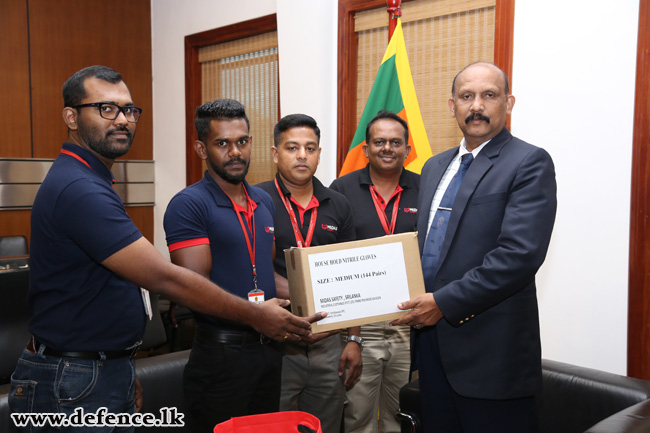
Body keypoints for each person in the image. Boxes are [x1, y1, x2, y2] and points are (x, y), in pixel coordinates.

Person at [8, 67, 321, 433]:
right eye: (106, 109)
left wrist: (120, 367)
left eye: (129, 110)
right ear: (71, 117)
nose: (123, 119)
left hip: (99, 369)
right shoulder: (79, 188)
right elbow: (163, 276)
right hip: (74, 377)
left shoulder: (94, 180)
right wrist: (256, 316)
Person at [391, 62, 557, 433]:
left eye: (489, 95)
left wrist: (443, 304)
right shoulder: (434, 167)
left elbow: (519, 255)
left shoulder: (528, 161)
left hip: (492, 358)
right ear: (452, 106)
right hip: (433, 350)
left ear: (508, 103)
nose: (476, 106)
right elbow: (431, 247)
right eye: (466, 96)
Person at [164, 99, 314, 432]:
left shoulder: (262, 201)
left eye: (242, 141)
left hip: (269, 350)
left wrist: (319, 301)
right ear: (202, 149)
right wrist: (257, 313)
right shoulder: (188, 205)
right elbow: (192, 288)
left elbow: (264, 275)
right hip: (221, 354)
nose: (236, 152)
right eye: (223, 143)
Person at [256, 114, 363, 433]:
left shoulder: (339, 205)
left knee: (323, 426)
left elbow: (352, 272)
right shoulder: (256, 201)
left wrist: (354, 338)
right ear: (276, 154)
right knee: (274, 425)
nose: (302, 155)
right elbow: (252, 270)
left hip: (328, 342)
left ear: (319, 153)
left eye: (310, 148)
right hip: (276, 341)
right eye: (292, 147)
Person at [330, 110, 419, 433]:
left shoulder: (426, 188)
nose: (387, 148)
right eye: (379, 142)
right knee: (358, 416)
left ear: (407, 149)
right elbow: (333, 254)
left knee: (401, 415)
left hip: (408, 323)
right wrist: (352, 334)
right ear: (365, 149)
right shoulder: (341, 189)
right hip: (360, 323)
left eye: (396, 142)